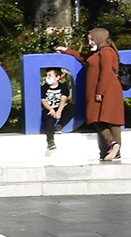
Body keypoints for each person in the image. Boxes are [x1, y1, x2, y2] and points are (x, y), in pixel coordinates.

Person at [56, 28, 124, 161]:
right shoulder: (98, 52)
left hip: (107, 91)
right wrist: (67, 50)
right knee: (96, 118)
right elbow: (84, 57)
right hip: (101, 90)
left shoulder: (107, 52)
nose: (90, 42)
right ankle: (114, 146)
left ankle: (114, 146)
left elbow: (106, 73)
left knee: (111, 120)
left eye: (92, 39)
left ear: (99, 38)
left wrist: (100, 91)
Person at [40, 67, 76, 150]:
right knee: (49, 121)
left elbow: (63, 100)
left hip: (59, 108)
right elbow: (43, 100)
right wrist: (50, 109)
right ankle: (50, 141)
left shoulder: (63, 87)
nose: (47, 77)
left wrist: (59, 111)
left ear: (57, 77)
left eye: (50, 75)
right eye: (46, 75)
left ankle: (59, 126)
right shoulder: (44, 87)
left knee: (72, 109)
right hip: (49, 109)